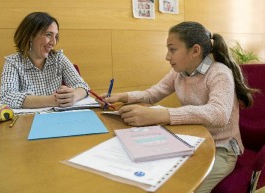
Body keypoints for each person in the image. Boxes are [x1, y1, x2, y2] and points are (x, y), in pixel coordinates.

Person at [100, 21, 257, 193]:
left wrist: (162, 115)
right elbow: (153, 93)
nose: (167, 57)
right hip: (193, 141)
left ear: (195, 51)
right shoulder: (179, 73)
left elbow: (218, 114)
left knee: (188, 188)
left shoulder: (219, 73)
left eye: (172, 49)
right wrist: (124, 96)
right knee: (157, 178)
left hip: (222, 149)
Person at [0, 12, 89, 109]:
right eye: (48, 35)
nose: (53, 42)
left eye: (56, 36)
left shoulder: (58, 58)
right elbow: (6, 97)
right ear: (30, 35)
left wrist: (74, 96)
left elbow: (82, 86)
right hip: (28, 121)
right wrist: (53, 100)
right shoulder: (13, 62)